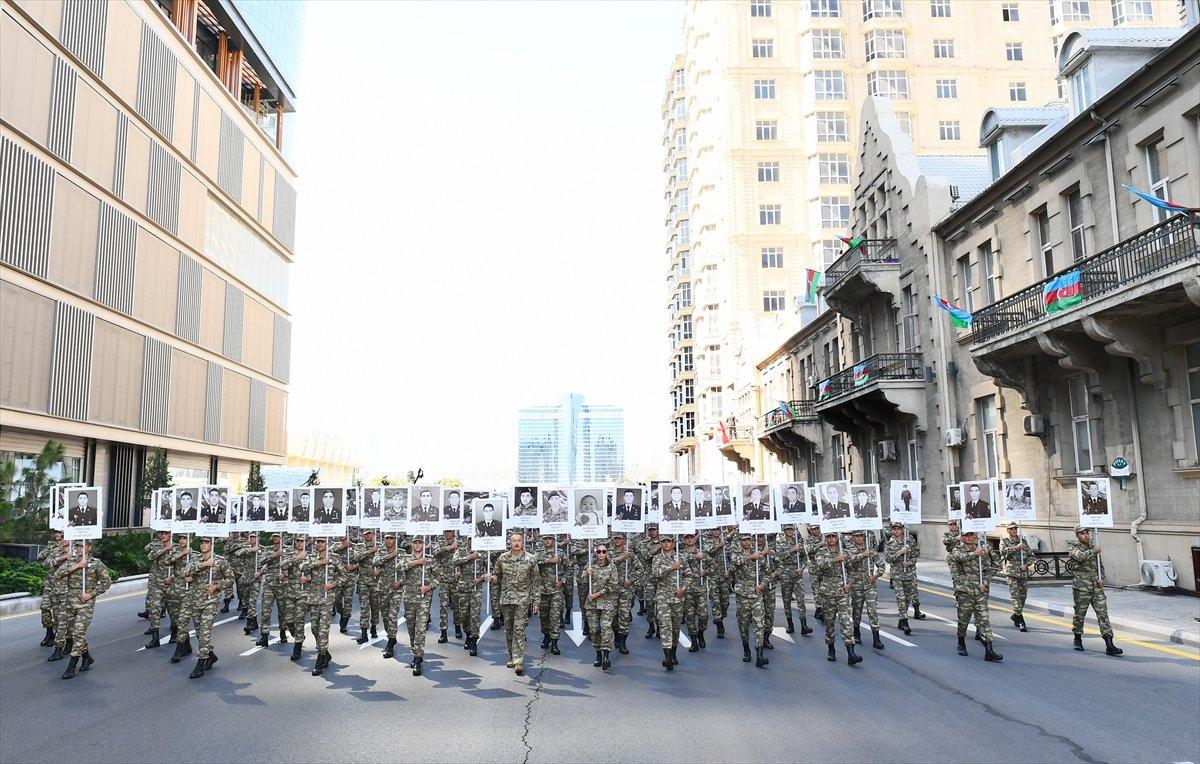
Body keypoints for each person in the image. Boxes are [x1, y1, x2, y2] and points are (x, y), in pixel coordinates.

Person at [53, 540, 111, 679]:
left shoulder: (96, 563)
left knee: (78, 633)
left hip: (86, 604)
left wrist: (91, 594)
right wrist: (77, 565)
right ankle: (87, 657)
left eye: (81, 545)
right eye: (77, 545)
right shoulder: (71, 561)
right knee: (74, 633)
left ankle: (72, 666)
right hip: (70, 602)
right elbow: (57, 575)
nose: (78, 548)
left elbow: (106, 582)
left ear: (89, 547)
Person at [180, 537, 235, 678]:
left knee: (204, 633)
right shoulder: (196, 559)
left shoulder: (221, 561)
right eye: (202, 542)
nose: (204, 545)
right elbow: (185, 572)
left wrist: (216, 586)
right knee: (199, 633)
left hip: (211, 601)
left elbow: (231, 579)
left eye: (207, 542)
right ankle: (211, 655)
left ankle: (200, 664)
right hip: (196, 601)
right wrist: (204, 564)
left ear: (212, 544)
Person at [489, 532, 542, 676]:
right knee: (509, 628)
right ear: (510, 543)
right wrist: (490, 578)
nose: (516, 543)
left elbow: (536, 582)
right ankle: (512, 656)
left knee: (519, 629)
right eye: (514, 540)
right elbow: (496, 576)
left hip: (522, 600)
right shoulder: (502, 558)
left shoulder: (530, 559)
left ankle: (518, 660)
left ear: (523, 542)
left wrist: (536, 601)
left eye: (519, 540)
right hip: (506, 600)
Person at [947, 530, 1002, 662]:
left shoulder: (983, 547)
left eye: (972, 535)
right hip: (965, 591)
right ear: (962, 537)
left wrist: (986, 583)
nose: (970, 537)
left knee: (984, 619)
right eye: (966, 535)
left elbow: (992, 567)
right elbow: (959, 559)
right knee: (963, 620)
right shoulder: (957, 549)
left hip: (981, 591)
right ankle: (961, 641)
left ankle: (989, 649)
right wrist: (974, 554)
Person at [1068, 526, 1122, 655]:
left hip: (1096, 587)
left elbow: (1100, 566)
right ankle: (1077, 639)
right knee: (1080, 614)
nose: (1086, 536)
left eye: (1087, 533)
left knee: (1103, 614)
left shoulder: (1094, 547)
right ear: (1077, 535)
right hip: (1082, 587)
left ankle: (1109, 644)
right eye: (1082, 533)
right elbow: (1080, 557)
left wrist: (1101, 578)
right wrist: (1094, 551)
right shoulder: (1073, 547)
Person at [300, 537, 346, 676]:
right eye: (317, 541)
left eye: (322, 541)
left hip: (327, 598)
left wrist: (333, 584)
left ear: (327, 543)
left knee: (323, 630)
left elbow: (344, 577)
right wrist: (320, 562)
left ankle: (320, 660)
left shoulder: (334, 557)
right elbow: (302, 567)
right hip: (314, 598)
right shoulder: (311, 556)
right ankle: (325, 653)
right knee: (314, 628)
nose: (319, 544)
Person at [814, 531, 860, 666]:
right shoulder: (821, 552)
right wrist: (835, 559)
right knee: (829, 622)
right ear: (825, 539)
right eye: (828, 537)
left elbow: (852, 570)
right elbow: (820, 565)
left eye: (833, 536)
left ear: (837, 537)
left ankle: (851, 653)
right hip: (828, 592)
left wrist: (850, 583)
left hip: (842, 591)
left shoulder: (844, 552)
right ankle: (831, 649)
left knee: (846, 621)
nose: (831, 539)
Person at [400, 536, 438, 675]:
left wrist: (429, 587)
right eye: (415, 542)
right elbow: (399, 567)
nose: (417, 544)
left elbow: (438, 577)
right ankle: (414, 650)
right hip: (409, 598)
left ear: (423, 544)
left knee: (421, 628)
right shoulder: (406, 557)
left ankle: (418, 657)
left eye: (420, 542)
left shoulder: (430, 559)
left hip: (423, 599)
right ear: (411, 544)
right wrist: (416, 562)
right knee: (411, 629)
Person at [651, 535, 690, 671]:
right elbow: (655, 574)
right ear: (661, 544)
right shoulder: (657, 558)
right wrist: (671, 567)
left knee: (675, 627)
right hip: (662, 596)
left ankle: (673, 652)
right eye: (664, 541)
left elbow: (688, 575)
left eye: (668, 541)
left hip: (677, 597)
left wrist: (683, 589)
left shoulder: (681, 557)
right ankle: (667, 656)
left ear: (673, 543)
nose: (666, 543)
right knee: (664, 625)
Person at [730, 534, 767, 667]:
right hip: (742, 595)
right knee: (743, 625)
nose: (746, 542)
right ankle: (746, 649)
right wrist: (752, 557)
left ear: (752, 540)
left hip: (756, 594)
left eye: (748, 539)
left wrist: (763, 584)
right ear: (740, 541)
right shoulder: (737, 553)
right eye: (743, 540)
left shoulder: (758, 554)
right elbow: (735, 561)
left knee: (759, 623)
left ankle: (760, 654)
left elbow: (768, 573)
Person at [845, 531, 884, 650]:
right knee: (857, 612)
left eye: (861, 535)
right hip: (856, 586)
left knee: (873, 611)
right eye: (857, 536)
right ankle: (856, 632)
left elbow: (881, 566)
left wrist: (875, 576)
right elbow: (846, 564)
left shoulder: (871, 550)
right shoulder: (849, 551)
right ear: (853, 537)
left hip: (869, 585)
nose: (859, 538)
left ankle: (876, 638)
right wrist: (862, 555)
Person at [883, 522, 923, 634]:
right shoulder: (889, 542)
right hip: (897, 575)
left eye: (898, 528)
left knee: (906, 599)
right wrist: (900, 552)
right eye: (894, 529)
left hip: (909, 574)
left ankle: (901, 620)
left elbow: (916, 553)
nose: (896, 530)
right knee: (900, 598)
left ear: (902, 529)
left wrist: (910, 562)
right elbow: (888, 558)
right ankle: (905, 622)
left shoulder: (910, 539)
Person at [582, 543, 617, 670]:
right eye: (599, 551)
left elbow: (613, 586)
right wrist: (586, 573)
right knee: (594, 630)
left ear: (607, 552)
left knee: (606, 627)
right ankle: (598, 654)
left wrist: (597, 594)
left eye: (604, 551)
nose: (601, 553)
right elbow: (582, 581)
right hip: (592, 605)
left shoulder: (612, 566)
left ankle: (606, 654)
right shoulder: (590, 565)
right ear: (595, 552)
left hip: (607, 603)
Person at [774, 525, 811, 636]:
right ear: (784, 531)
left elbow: (805, 558)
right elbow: (778, 557)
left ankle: (803, 624)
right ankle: (790, 624)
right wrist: (791, 550)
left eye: (791, 529)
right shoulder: (780, 542)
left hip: (797, 572)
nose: (790, 531)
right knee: (786, 600)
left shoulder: (798, 542)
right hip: (785, 573)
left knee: (800, 599)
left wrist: (802, 568)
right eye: (787, 529)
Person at [452, 538, 486, 656]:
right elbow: (455, 561)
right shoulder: (461, 551)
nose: (472, 541)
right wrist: (470, 557)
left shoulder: (483, 552)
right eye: (470, 539)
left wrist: (481, 579)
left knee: (475, 615)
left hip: (477, 588)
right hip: (463, 588)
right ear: (467, 541)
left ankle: (474, 640)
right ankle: (467, 634)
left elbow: (491, 570)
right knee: (464, 615)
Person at [165, 535, 196, 662]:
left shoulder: (196, 556)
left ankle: (179, 649)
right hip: (174, 592)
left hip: (188, 592)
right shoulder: (176, 553)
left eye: (185, 538)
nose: (182, 540)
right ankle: (187, 645)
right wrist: (183, 553)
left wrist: (193, 578)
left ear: (191, 540)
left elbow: (203, 573)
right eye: (181, 538)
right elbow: (167, 561)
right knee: (176, 620)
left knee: (183, 621)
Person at [373, 532, 403, 658]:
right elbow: (375, 562)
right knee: (385, 616)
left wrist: (401, 582)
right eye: (387, 538)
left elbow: (409, 571)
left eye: (392, 538)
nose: (389, 540)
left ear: (395, 539)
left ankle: (391, 642)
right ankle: (390, 634)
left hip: (396, 589)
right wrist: (391, 555)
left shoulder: (401, 552)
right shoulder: (380, 550)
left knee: (392, 616)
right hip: (383, 589)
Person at [255, 533, 287, 647]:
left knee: (283, 611)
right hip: (269, 584)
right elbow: (261, 561)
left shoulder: (288, 550)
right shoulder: (268, 550)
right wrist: (275, 554)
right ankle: (264, 636)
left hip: (282, 585)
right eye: (274, 536)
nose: (276, 538)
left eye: (278, 536)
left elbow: (294, 566)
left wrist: (285, 575)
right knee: (265, 610)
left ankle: (283, 632)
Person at [535, 534, 565, 654]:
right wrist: (549, 560)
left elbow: (568, 568)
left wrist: (563, 581)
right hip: (542, 590)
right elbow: (534, 562)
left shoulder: (560, 553)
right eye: (546, 539)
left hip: (556, 590)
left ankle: (554, 642)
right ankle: (546, 635)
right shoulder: (538, 552)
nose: (548, 541)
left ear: (553, 540)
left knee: (555, 616)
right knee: (544, 616)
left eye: (550, 539)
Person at [1000, 521, 1033, 632]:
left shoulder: (1023, 541)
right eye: (1011, 529)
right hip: (1011, 573)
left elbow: (1031, 556)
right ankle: (1021, 621)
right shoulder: (1004, 541)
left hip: (1023, 573)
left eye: (1015, 528)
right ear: (1007, 530)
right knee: (1016, 597)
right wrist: (1016, 548)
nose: (1014, 530)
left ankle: (1015, 615)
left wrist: (1026, 565)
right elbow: (1002, 552)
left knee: (1023, 597)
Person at [283, 536, 310, 662]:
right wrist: (298, 558)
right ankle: (298, 635)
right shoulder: (289, 554)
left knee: (299, 619)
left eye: (302, 541)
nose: (300, 543)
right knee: (288, 620)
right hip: (290, 592)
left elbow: (317, 573)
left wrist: (308, 579)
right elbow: (283, 565)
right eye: (298, 541)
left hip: (303, 592)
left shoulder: (311, 556)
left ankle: (297, 646)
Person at [680, 532, 709, 651]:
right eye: (687, 538)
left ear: (695, 539)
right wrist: (694, 557)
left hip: (700, 587)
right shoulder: (681, 554)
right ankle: (693, 641)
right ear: (684, 540)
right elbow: (681, 562)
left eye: (691, 537)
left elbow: (714, 566)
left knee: (703, 615)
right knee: (689, 616)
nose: (689, 539)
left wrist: (706, 572)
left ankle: (700, 633)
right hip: (687, 589)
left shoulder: (702, 552)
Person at [610, 533, 637, 654]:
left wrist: (631, 580)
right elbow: (606, 565)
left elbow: (640, 569)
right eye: (615, 538)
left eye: (619, 538)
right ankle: (616, 635)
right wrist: (621, 558)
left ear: (624, 540)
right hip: (612, 590)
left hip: (626, 590)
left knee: (624, 616)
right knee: (613, 617)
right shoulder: (608, 553)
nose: (617, 540)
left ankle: (623, 643)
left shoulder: (630, 554)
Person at [37, 530, 65, 647]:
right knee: (44, 608)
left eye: (59, 532)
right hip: (50, 583)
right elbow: (40, 557)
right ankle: (49, 633)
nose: (56, 535)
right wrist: (51, 547)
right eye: (55, 533)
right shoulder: (52, 546)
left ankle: (62, 639)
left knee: (60, 613)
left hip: (62, 585)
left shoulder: (71, 546)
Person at [432, 530, 460, 642]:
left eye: (450, 531)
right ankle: (443, 632)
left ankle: (458, 627)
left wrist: (460, 572)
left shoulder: (459, 543)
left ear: (453, 532)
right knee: (443, 606)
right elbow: (435, 552)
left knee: (457, 606)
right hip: (443, 579)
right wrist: (450, 547)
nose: (448, 534)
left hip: (456, 579)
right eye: (446, 532)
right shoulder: (440, 542)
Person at [634, 525, 661, 639]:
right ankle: (651, 625)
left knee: (661, 604)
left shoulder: (666, 541)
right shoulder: (644, 544)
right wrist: (657, 548)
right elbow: (645, 556)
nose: (652, 532)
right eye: (650, 530)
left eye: (654, 529)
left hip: (663, 578)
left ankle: (660, 627)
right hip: (649, 577)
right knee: (650, 603)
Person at [706, 528, 731, 638]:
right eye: (713, 530)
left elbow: (731, 558)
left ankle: (721, 616)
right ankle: (719, 625)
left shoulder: (726, 542)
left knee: (725, 602)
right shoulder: (707, 542)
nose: (716, 532)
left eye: (717, 530)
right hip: (712, 576)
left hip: (724, 577)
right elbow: (708, 551)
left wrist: (729, 570)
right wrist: (719, 546)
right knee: (715, 602)